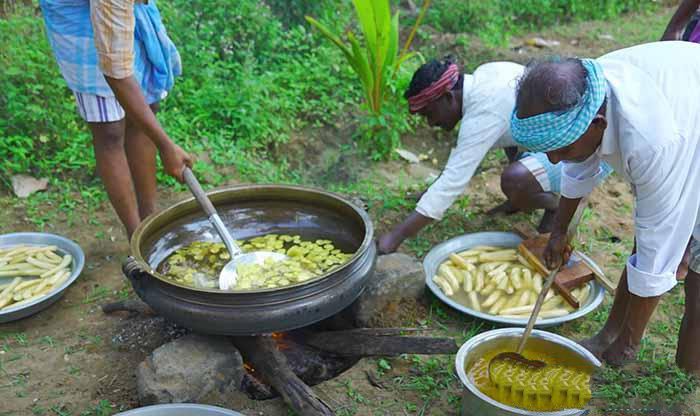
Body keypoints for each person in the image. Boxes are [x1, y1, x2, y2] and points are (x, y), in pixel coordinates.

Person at [510, 41, 700, 375]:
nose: (553, 160)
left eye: (562, 149)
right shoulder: (588, 89)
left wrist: (629, 343)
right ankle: (609, 334)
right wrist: (559, 231)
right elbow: (577, 165)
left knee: (692, 335)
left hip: (685, 127)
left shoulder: (651, 142)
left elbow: (658, 249)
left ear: (598, 124)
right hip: (683, 104)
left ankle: (637, 350)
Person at [377, 57, 611, 254]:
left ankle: (555, 206)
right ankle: (527, 192)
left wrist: (396, 237)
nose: (431, 123)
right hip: (554, 140)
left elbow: (453, 181)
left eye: (429, 113)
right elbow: (510, 126)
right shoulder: (486, 74)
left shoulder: (483, 112)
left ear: (448, 97)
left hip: (579, 151)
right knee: (517, 178)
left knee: (515, 180)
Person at [40, 0, 192, 240]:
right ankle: (136, 238)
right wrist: (166, 147)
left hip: (120, 12)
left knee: (144, 109)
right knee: (109, 131)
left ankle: (151, 220)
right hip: (79, 23)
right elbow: (116, 73)